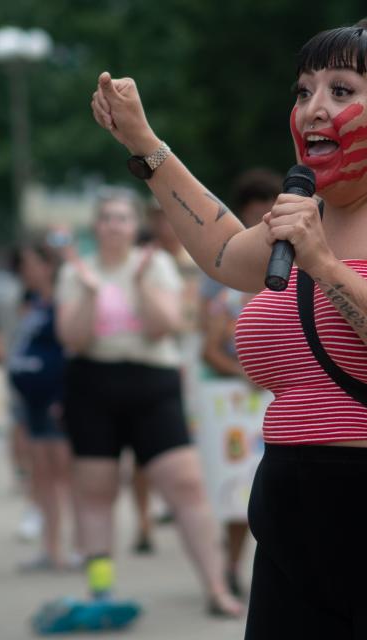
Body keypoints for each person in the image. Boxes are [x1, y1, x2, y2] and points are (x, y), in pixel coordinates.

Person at [93, 20, 367, 639]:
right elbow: (222, 252)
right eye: (303, 91)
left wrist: (324, 266)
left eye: (341, 91)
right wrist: (144, 141)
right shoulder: (307, 211)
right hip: (298, 519)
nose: (314, 108)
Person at [36, 191, 242, 632]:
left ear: (134, 225)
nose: (113, 225)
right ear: (97, 226)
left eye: (122, 218)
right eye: (106, 218)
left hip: (151, 384)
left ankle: (216, 587)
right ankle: (101, 590)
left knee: (186, 487)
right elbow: (73, 339)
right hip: (92, 385)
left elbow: (161, 327)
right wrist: (91, 294)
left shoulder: (157, 265)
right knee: (96, 492)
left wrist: (145, 283)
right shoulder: (77, 272)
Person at [197, 168, 281, 598]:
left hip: (278, 396)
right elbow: (208, 347)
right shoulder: (224, 280)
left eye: (268, 209)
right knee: (238, 490)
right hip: (236, 400)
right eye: (253, 212)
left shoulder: (297, 265)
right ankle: (230, 564)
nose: (262, 219)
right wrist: (244, 373)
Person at [8, 233, 76, 571]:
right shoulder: (31, 303)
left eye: (31, 264)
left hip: (57, 399)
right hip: (32, 400)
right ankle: (51, 548)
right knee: (43, 476)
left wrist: (66, 395)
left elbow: (70, 350)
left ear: (48, 266)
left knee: (65, 475)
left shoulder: (64, 300)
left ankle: (76, 546)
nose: (25, 271)